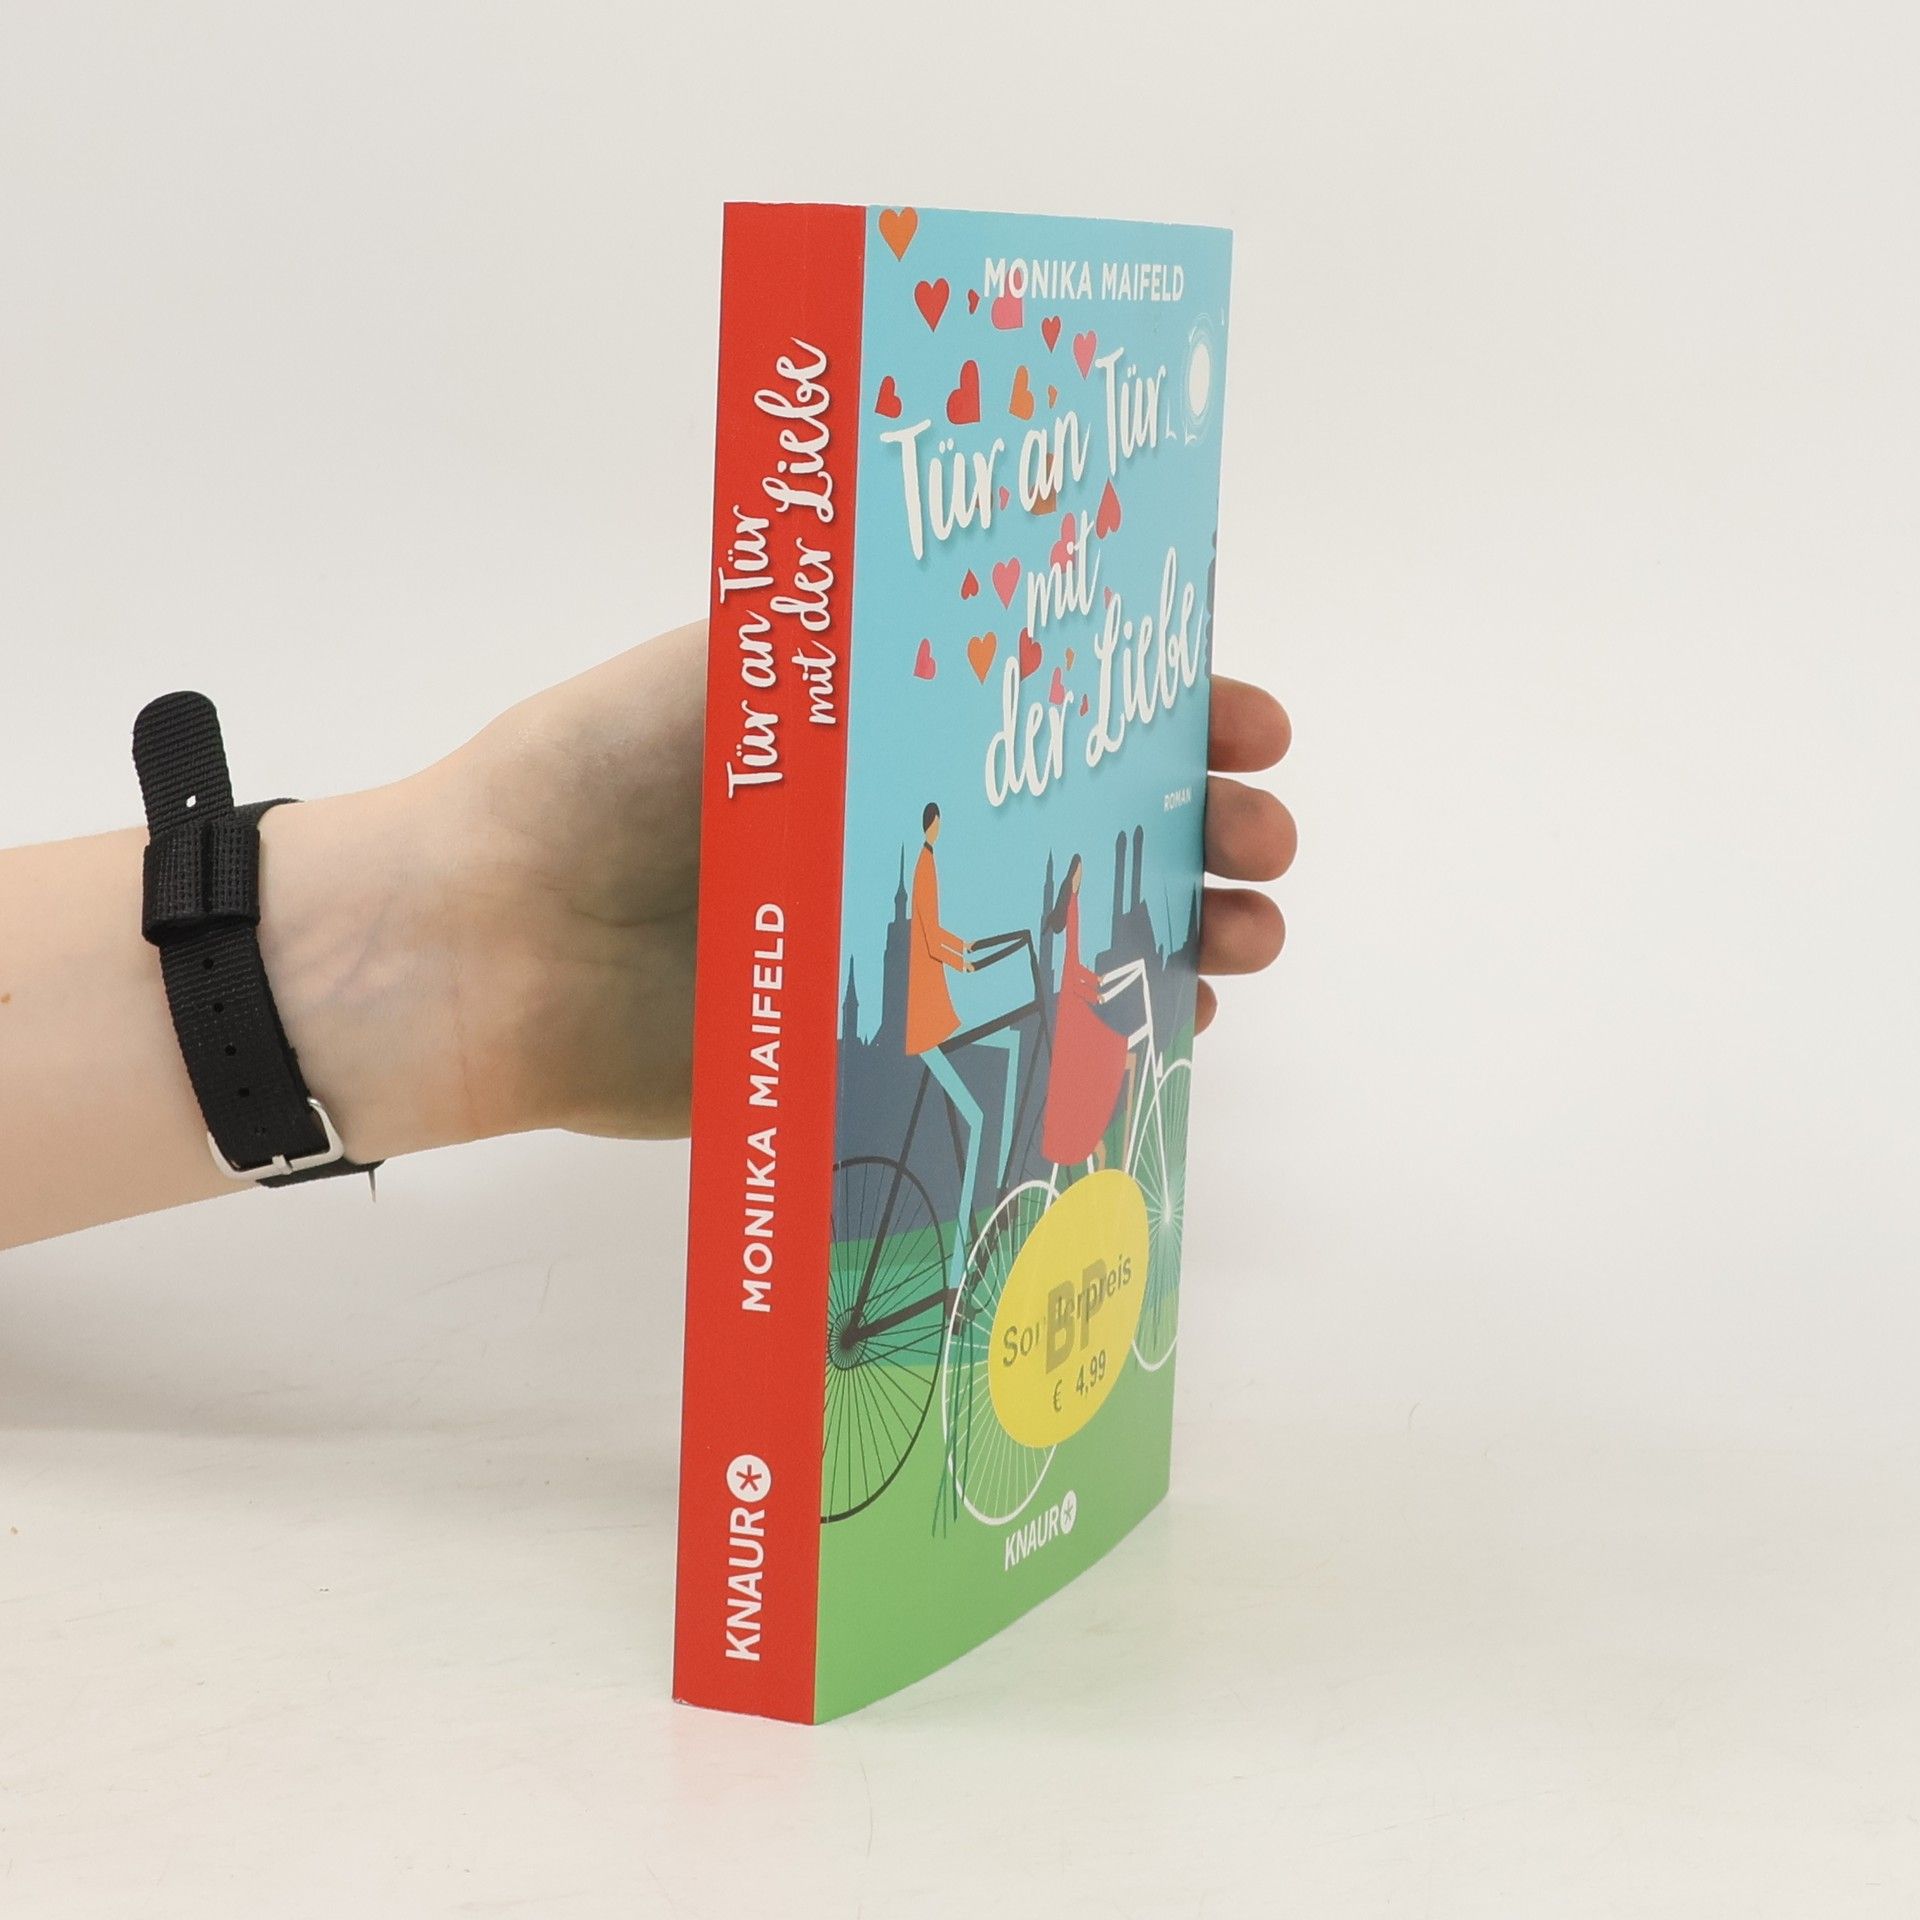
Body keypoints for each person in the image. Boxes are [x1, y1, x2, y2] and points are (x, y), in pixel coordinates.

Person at [0, 621, 1295, 1252]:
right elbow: (937, 955)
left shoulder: (929, 863)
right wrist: (462, 929)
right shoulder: (929, 871)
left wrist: (450, 929)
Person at [906, 801, 1022, 1290]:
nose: (941, 828)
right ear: (933, 824)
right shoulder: (924, 865)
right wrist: (963, 964)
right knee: (976, 1119)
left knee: (1012, 1043)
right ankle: (956, 1274)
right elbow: (928, 938)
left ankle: (1000, 1186)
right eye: (941, 823)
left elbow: (937, 932)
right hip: (926, 1020)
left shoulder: (928, 862)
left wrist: (967, 945)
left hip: (939, 1012)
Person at [1039, 854, 1133, 1170]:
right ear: (1072, 878)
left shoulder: (1073, 904)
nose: (1080, 877)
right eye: (1077, 873)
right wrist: (1094, 990)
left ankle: (1089, 1142)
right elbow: (1071, 966)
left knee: (1087, 1062)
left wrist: (1094, 984)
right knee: (1111, 1050)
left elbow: (1073, 967)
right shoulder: (1072, 906)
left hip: (1073, 1001)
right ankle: (1085, 1137)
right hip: (1073, 1003)